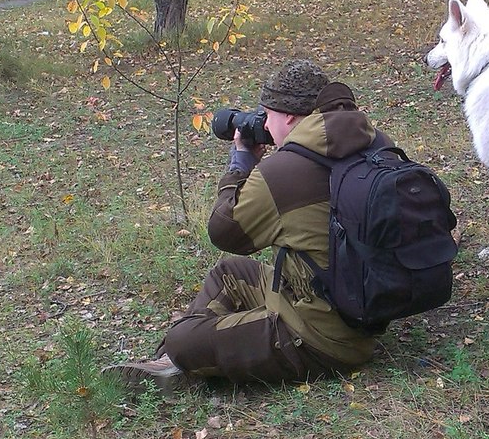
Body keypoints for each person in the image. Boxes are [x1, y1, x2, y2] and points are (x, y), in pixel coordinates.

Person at [107, 59, 388, 390]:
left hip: (319, 338)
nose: (265, 125)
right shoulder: (374, 144)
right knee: (230, 273)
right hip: (359, 308)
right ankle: (172, 366)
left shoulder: (285, 172)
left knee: (180, 340)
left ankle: (177, 363)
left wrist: (241, 163)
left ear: (289, 117)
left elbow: (224, 230)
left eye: (266, 115)